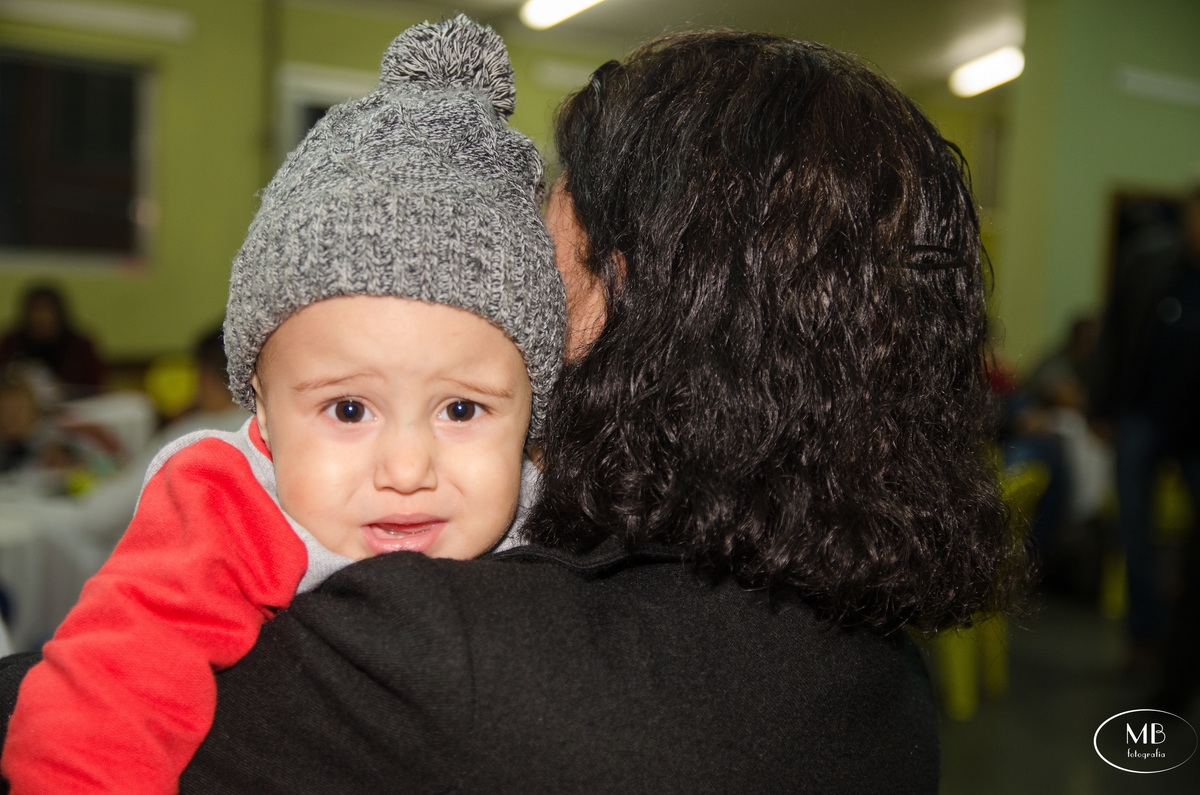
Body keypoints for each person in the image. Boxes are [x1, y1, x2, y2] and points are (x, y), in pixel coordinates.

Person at [4, 27, 1022, 794]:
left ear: (630, 284)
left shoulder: (452, 663)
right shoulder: (881, 683)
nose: (531, 245)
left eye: (558, 206)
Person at [0, 16, 563, 794]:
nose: (406, 468)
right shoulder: (232, 507)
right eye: (349, 410)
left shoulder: (559, 514)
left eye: (461, 411)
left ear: (534, 413)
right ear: (261, 413)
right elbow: (99, 705)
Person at [1088, 181, 1200, 673]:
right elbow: (1114, 334)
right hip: (1142, 416)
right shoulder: (1148, 261)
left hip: (1196, 428)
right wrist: (1101, 408)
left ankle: (1184, 641)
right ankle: (1145, 640)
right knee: (1134, 531)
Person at [0, 283, 105, 399]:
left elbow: (95, 388)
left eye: (46, 310)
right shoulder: (12, 343)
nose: (40, 317)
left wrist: (65, 390)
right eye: (35, 310)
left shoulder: (80, 346)